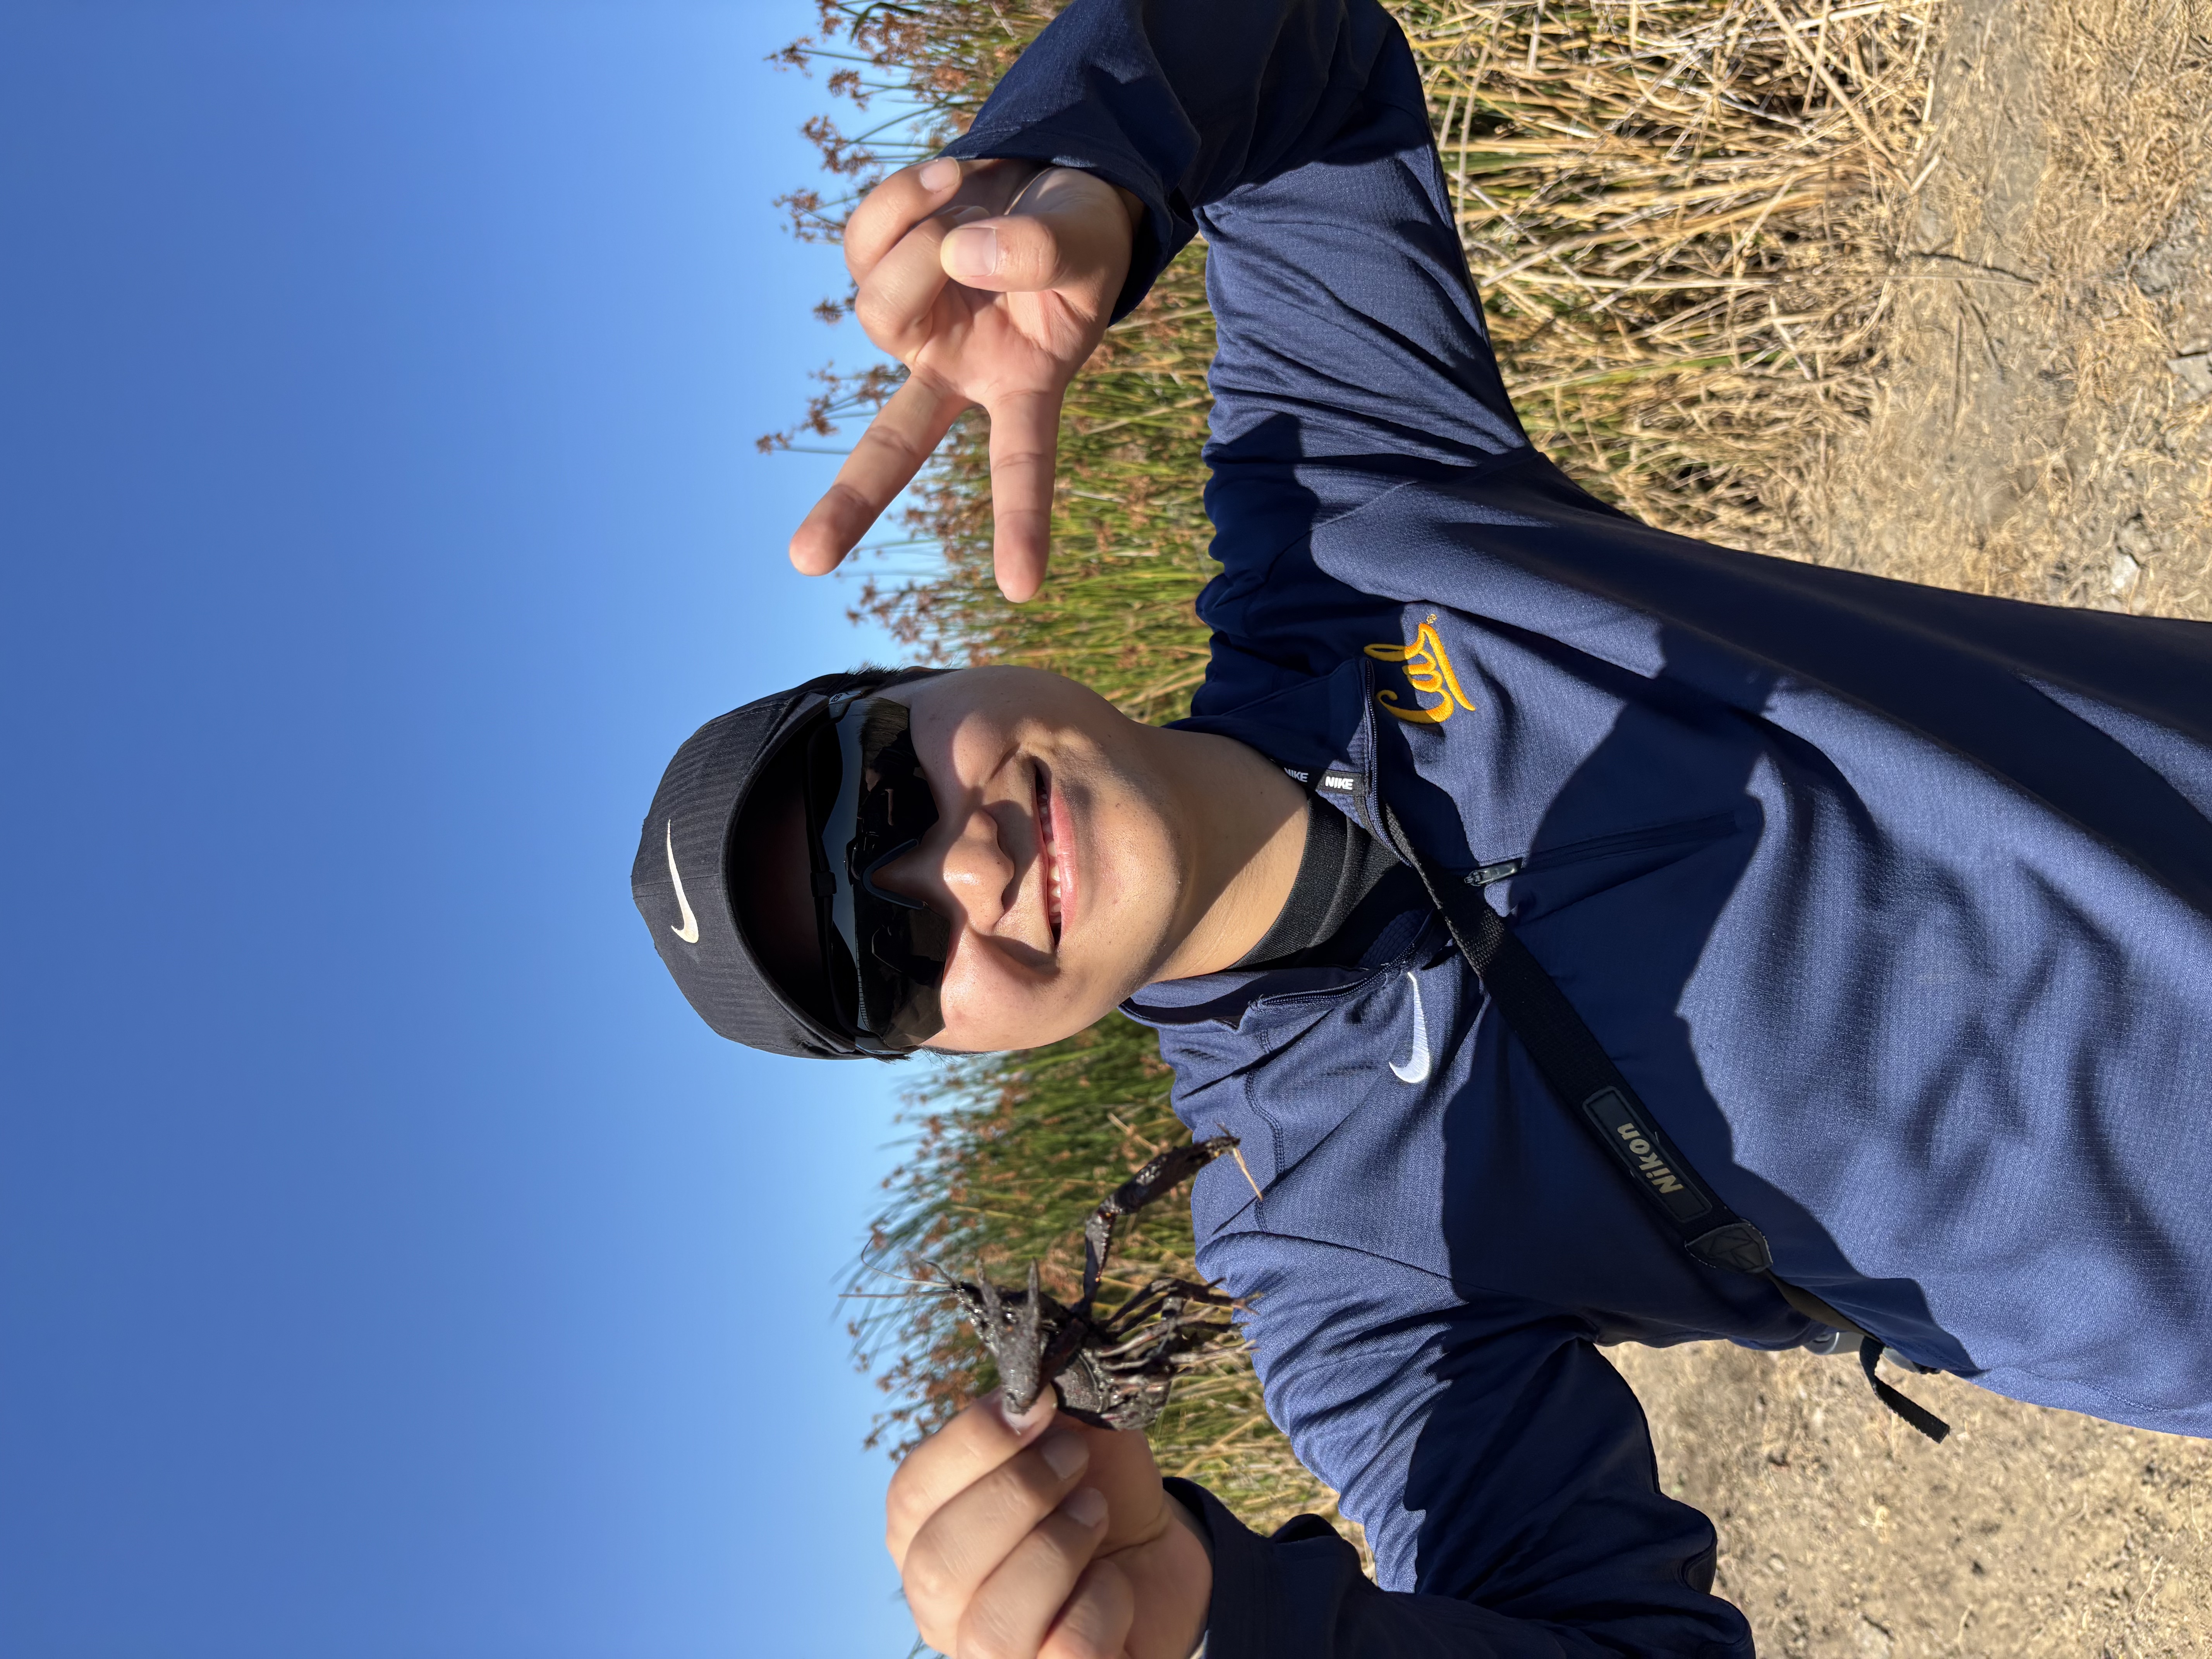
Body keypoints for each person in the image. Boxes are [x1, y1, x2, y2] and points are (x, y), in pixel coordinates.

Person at [630, 0, 2212, 1651]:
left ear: (943, 667)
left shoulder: (1356, 521)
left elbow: (1306, 55)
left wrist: (1082, 169)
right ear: (955, 1054)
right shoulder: (1339, 1267)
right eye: (890, 955)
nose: (959, 864)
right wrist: (1229, 1633)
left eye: (883, 781)